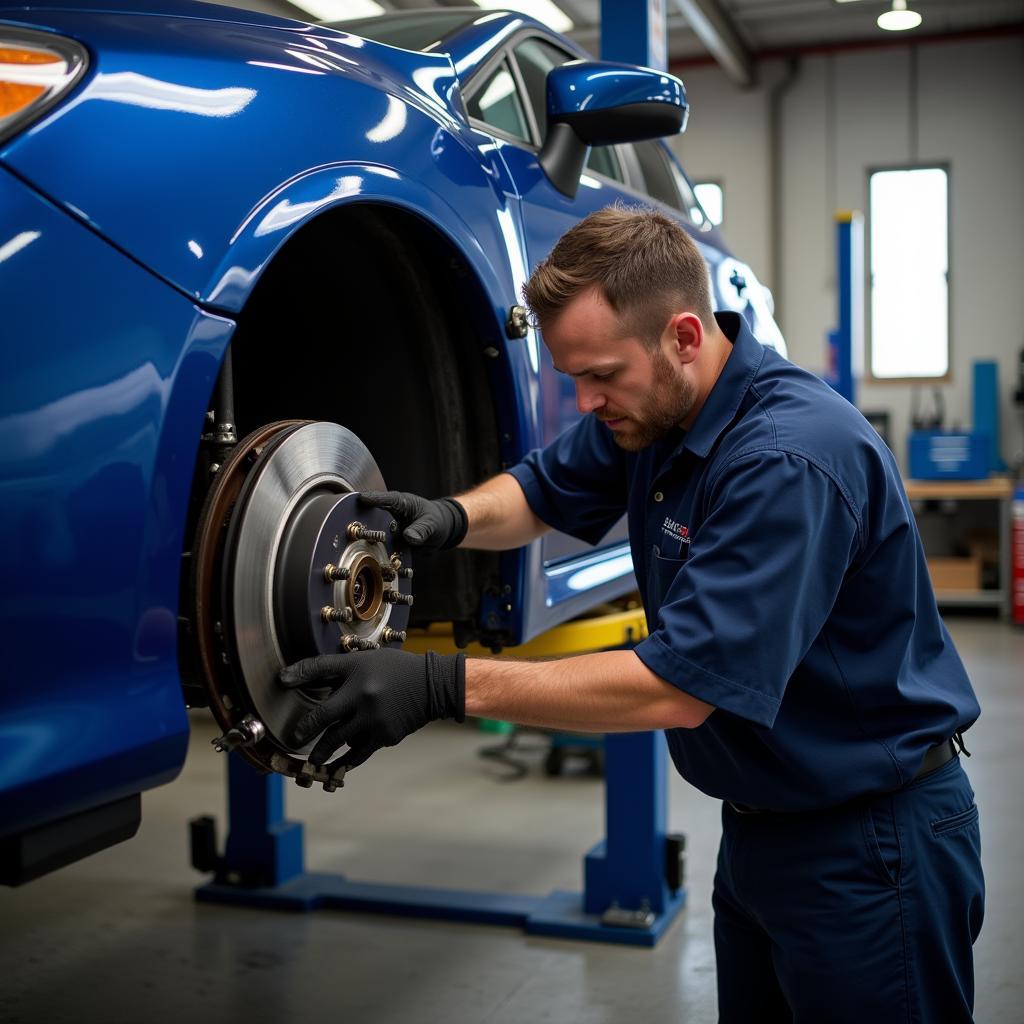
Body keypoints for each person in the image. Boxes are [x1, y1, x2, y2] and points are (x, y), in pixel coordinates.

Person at [279, 205, 984, 1023]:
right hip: (764, 830)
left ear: (684, 335)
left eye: (602, 375)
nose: (585, 401)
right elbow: (542, 489)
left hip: (872, 843)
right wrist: (447, 518)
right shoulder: (657, 409)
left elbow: (678, 688)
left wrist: (440, 686)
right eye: (572, 376)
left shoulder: (788, 460)